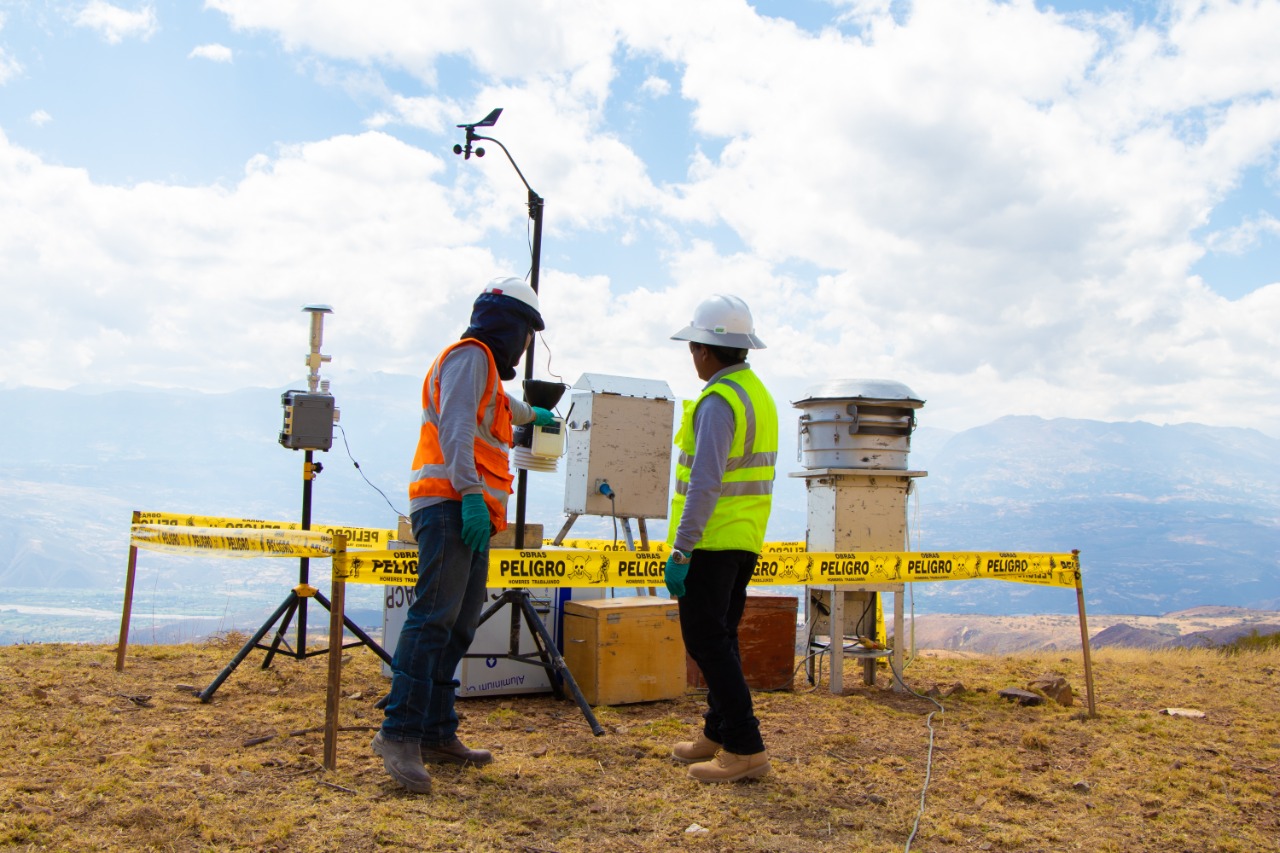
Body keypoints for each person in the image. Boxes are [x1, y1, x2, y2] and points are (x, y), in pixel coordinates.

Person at [373, 276, 556, 794]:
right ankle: (399, 733)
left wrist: (535, 414)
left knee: (456, 627)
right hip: (452, 506)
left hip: (468, 514)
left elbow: (500, 409)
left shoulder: (485, 374)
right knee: (433, 620)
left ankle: (435, 732)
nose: (525, 344)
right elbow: (455, 428)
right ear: (509, 324)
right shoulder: (470, 356)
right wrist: (472, 493)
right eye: (525, 333)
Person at [664, 294, 778, 783]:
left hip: (710, 543)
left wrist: (682, 548)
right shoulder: (756, 393)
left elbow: (706, 482)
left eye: (693, 346)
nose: (692, 355)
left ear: (707, 350)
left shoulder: (717, 401)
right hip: (743, 537)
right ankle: (717, 730)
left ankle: (745, 747)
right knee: (721, 639)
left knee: (707, 641)